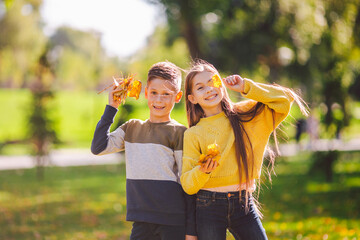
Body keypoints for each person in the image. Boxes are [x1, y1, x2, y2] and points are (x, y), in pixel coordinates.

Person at [180, 60, 308, 240]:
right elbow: (187, 184)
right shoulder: (193, 134)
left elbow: (285, 100)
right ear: (192, 98)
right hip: (208, 205)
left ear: (222, 85)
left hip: (243, 204)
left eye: (212, 82)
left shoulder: (245, 114)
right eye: (200, 88)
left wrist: (246, 86)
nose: (209, 89)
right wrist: (203, 171)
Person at [91, 61, 197, 240]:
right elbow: (99, 147)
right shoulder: (132, 128)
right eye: (154, 93)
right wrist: (112, 108)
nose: (158, 100)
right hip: (141, 220)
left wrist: (191, 231)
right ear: (146, 92)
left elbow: (188, 184)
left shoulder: (179, 133)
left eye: (166, 94)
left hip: (172, 221)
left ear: (177, 97)